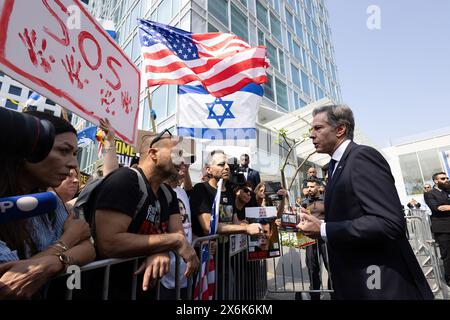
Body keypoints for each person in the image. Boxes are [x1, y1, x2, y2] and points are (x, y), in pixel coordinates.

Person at [297, 104, 433, 299]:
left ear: (340, 129)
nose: (311, 135)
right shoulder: (336, 166)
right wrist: (319, 223)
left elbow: (389, 223)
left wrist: (324, 229)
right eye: (312, 129)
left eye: (318, 128)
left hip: (378, 284)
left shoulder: (361, 157)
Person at [91, 129, 199, 299]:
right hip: (108, 290)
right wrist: (172, 242)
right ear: (154, 153)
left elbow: (178, 233)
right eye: (177, 153)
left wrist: (161, 249)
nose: (182, 160)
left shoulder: (168, 194)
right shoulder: (125, 180)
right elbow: (109, 243)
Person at [0, 111, 95, 299]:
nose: (73, 164)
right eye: (63, 151)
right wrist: (67, 240)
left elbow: (88, 248)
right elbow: (10, 284)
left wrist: (56, 262)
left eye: (75, 154)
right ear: (30, 146)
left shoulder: (48, 202)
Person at [159, 164, 194, 300]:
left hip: (185, 272)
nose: (183, 165)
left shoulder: (182, 192)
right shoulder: (160, 192)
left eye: (185, 163)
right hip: (165, 275)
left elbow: (188, 226)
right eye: (178, 163)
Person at [301, 178, 330, 300]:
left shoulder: (327, 199)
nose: (309, 189)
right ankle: (315, 295)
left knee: (330, 266)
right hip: (310, 239)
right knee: (312, 268)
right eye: (308, 187)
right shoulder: (304, 202)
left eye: (312, 186)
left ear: (319, 187)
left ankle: (333, 292)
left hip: (325, 238)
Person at [424, 172, 450, 287]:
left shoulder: (448, 191)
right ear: (436, 181)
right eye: (443, 178)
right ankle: (449, 278)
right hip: (443, 229)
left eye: (447, 178)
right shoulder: (430, 194)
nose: (446, 180)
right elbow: (438, 208)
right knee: (448, 255)